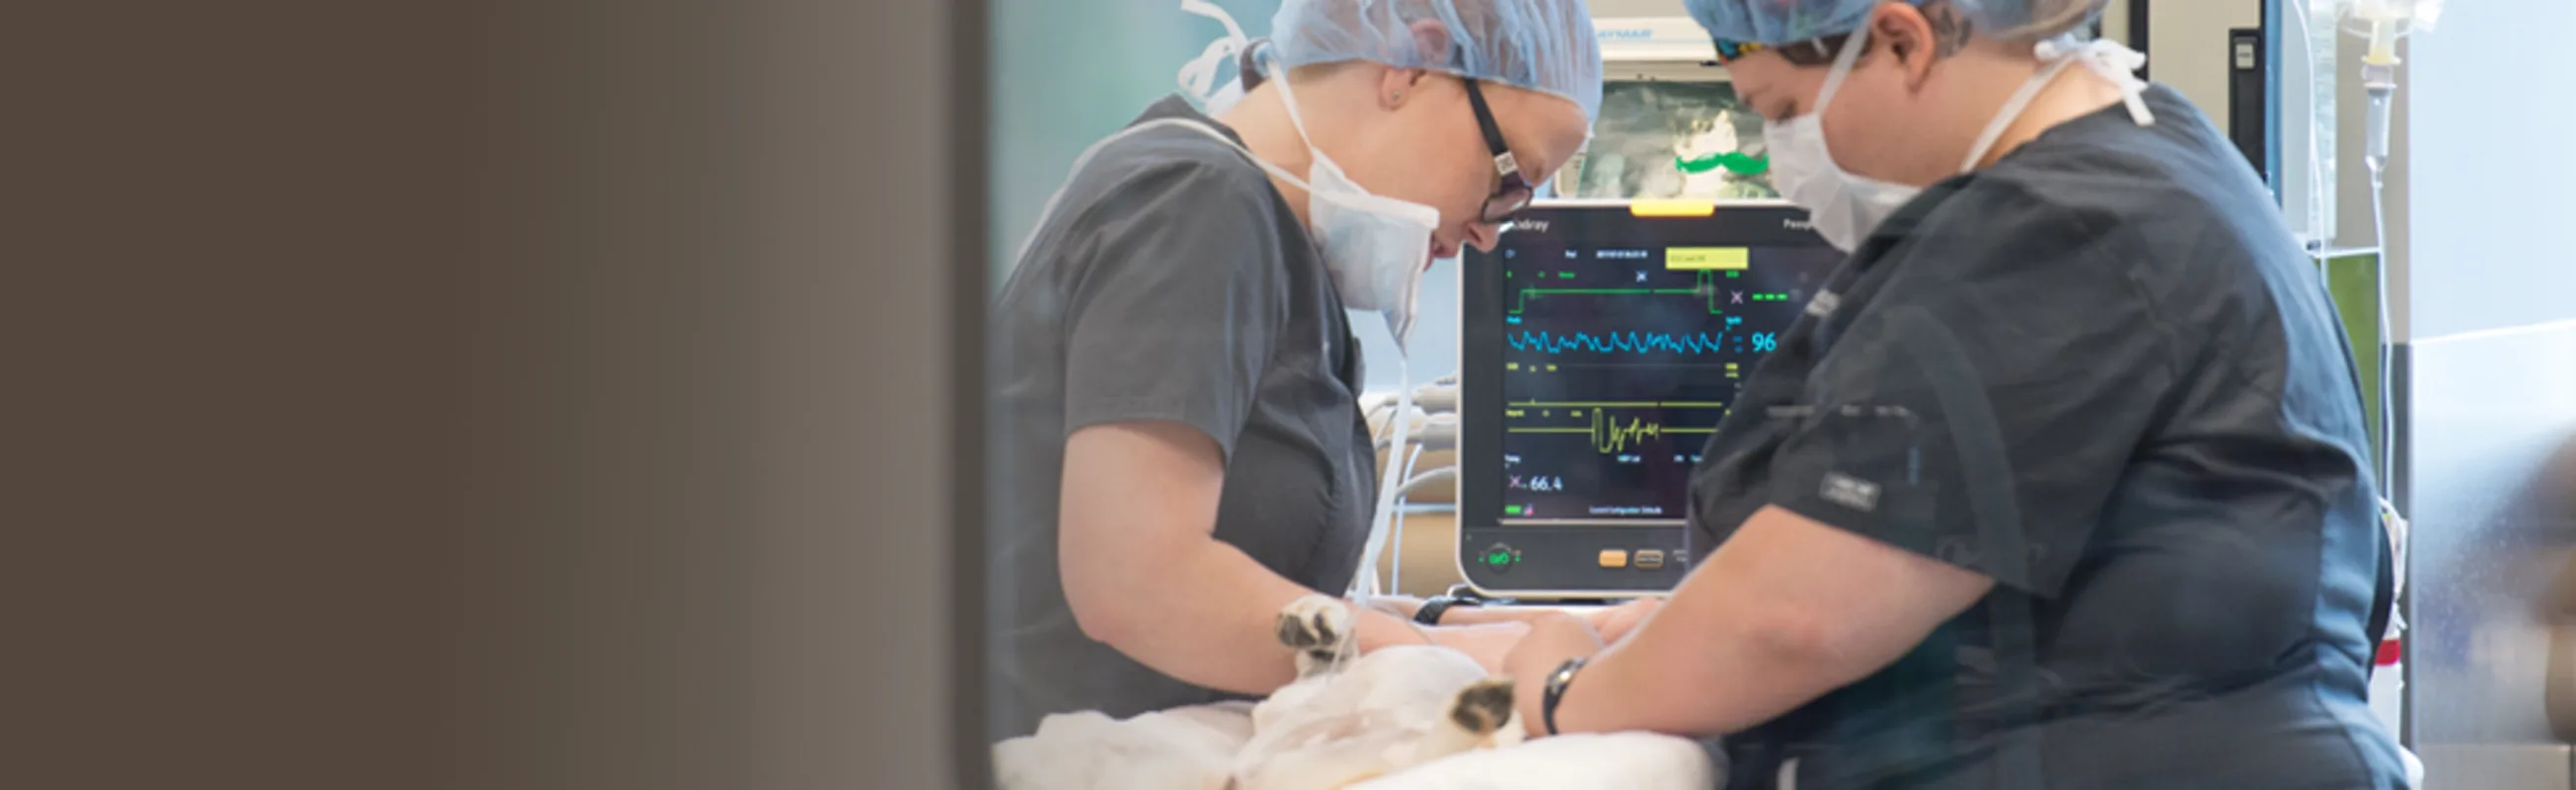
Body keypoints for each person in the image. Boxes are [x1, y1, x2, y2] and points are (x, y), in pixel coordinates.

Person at [1497, 1, 2411, 787]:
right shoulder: (2148, 158)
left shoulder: (2061, 226)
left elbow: (1798, 616)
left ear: (1901, 40)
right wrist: (1689, 630)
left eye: (1780, 111)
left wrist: (1568, 690)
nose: (1782, 159)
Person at [984, 0, 1605, 742]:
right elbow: (1137, 584)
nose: (1486, 234)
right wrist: (1437, 657)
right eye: (1509, 181)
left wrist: (1524, 624)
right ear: (1413, 64)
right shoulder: (1194, 202)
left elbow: (1282, 602)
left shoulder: (1280, 250)